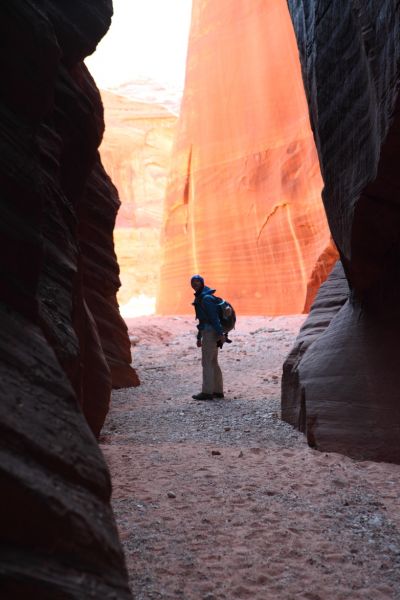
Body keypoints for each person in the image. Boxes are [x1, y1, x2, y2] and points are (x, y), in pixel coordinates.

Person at [190, 274, 225, 401]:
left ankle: (207, 392)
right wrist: (199, 337)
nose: (195, 284)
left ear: (202, 283)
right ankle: (218, 390)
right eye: (193, 282)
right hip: (210, 332)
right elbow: (202, 320)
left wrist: (221, 334)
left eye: (197, 282)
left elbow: (213, 318)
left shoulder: (205, 299)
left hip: (211, 333)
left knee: (207, 362)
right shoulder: (203, 297)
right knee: (213, 361)